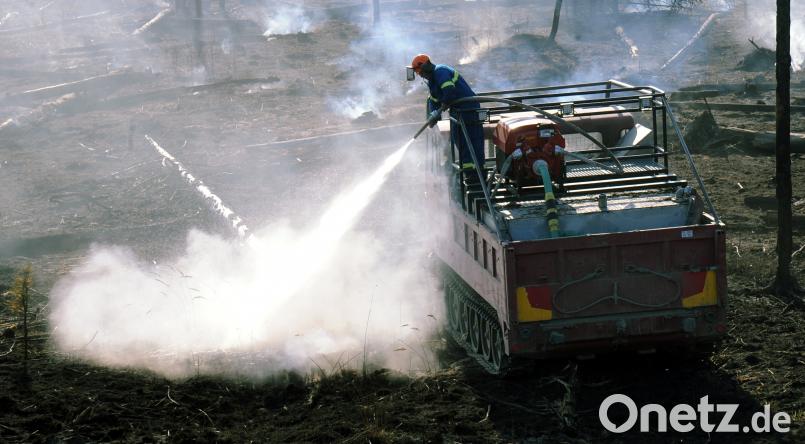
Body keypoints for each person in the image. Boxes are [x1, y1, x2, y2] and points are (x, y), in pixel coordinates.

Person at [409, 54, 485, 171]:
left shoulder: (441, 71)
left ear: (425, 66)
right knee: (459, 139)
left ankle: (477, 172)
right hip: (457, 111)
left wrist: (444, 104)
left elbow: (449, 91)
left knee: (472, 140)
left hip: (468, 109)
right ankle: (469, 170)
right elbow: (434, 100)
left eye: (419, 71)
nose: (419, 75)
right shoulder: (432, 82)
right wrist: (433, 116)